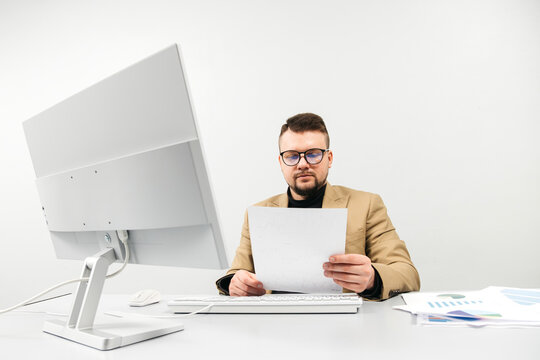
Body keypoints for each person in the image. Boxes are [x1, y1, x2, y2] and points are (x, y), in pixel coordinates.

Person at [216, 113, 420, 300]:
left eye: (313, 154)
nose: (303, 164)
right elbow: (236, 273)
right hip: (275, 325)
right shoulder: (258, 213)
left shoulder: (366, 205)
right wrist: (235, 283)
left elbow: (407, 273)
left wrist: (372, 278)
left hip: (343, 329)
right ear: (281, 162)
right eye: (292, 156)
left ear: (329, 158)